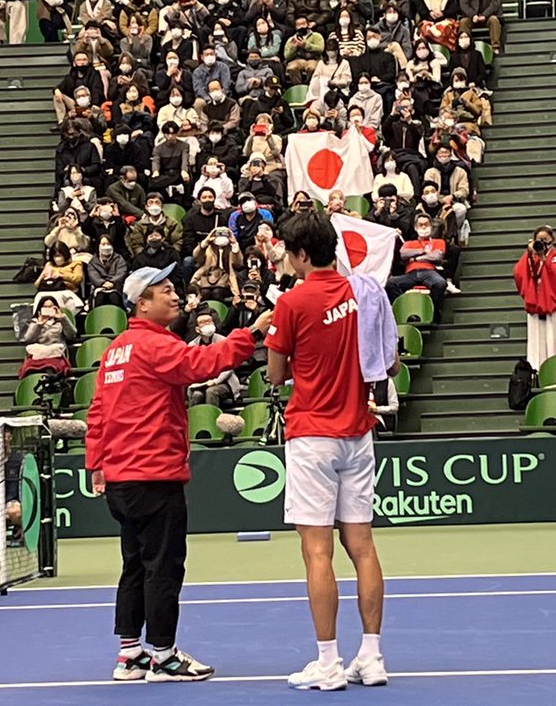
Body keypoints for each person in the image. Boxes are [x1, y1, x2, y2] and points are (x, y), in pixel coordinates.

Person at [86, 265, 272, 682]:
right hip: (153, 474)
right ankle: (164, 657)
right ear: (142, 303)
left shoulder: (117, 349)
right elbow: (203, 363)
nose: (174, 296)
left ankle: (130, 655)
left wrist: (96, 463)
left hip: (122, 477)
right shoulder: (152, 345)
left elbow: (98, 411)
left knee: (134, 564)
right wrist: (253, 333)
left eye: (173, 288)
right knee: (163, 568)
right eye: (164, 290)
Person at [265, 210, 395, 691]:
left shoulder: (292, 303)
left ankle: (328, 663)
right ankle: (372, 656)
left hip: (313, 436)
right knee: (362, 546)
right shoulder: (365, 294)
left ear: (301, 254)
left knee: (317, 550)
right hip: (358, 433)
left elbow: (277, 376)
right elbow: (389, 360)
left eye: (288, 252)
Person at [512, 225, 556, 367]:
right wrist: (529, 254)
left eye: (546, 239)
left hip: (555, 307)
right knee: (536, 344)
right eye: (539, 240)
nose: (543, 242)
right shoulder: (530, 258)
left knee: (555, 342)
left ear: (553, 239)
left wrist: (545, 259)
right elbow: (519, 273)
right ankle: (536, 370)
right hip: (536, 306)